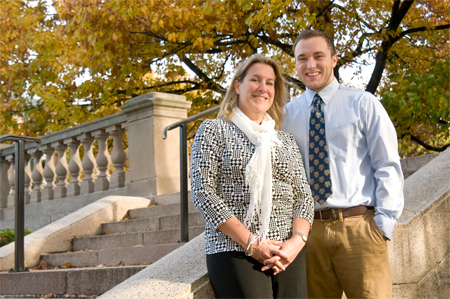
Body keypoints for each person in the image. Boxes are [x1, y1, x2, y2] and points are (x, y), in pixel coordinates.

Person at [281, 30, 404, 298]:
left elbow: (387, 165)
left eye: (318, 56)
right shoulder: (286, 115)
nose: (310, 65)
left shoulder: (363, 104)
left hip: (359, 228)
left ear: (334, 59)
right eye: (302, 58)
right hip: (308, 235)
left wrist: (383, 224)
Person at [190, 54, 314, 298]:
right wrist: (252, 243)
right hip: (235, 250)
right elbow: (203, 192)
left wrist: (296, 242)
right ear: (238, 85)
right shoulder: (214, 130)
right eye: (255, 80)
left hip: (286, 254)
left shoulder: (286, 140)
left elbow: (303, 197)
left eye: (270, 83)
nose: (263, 88)